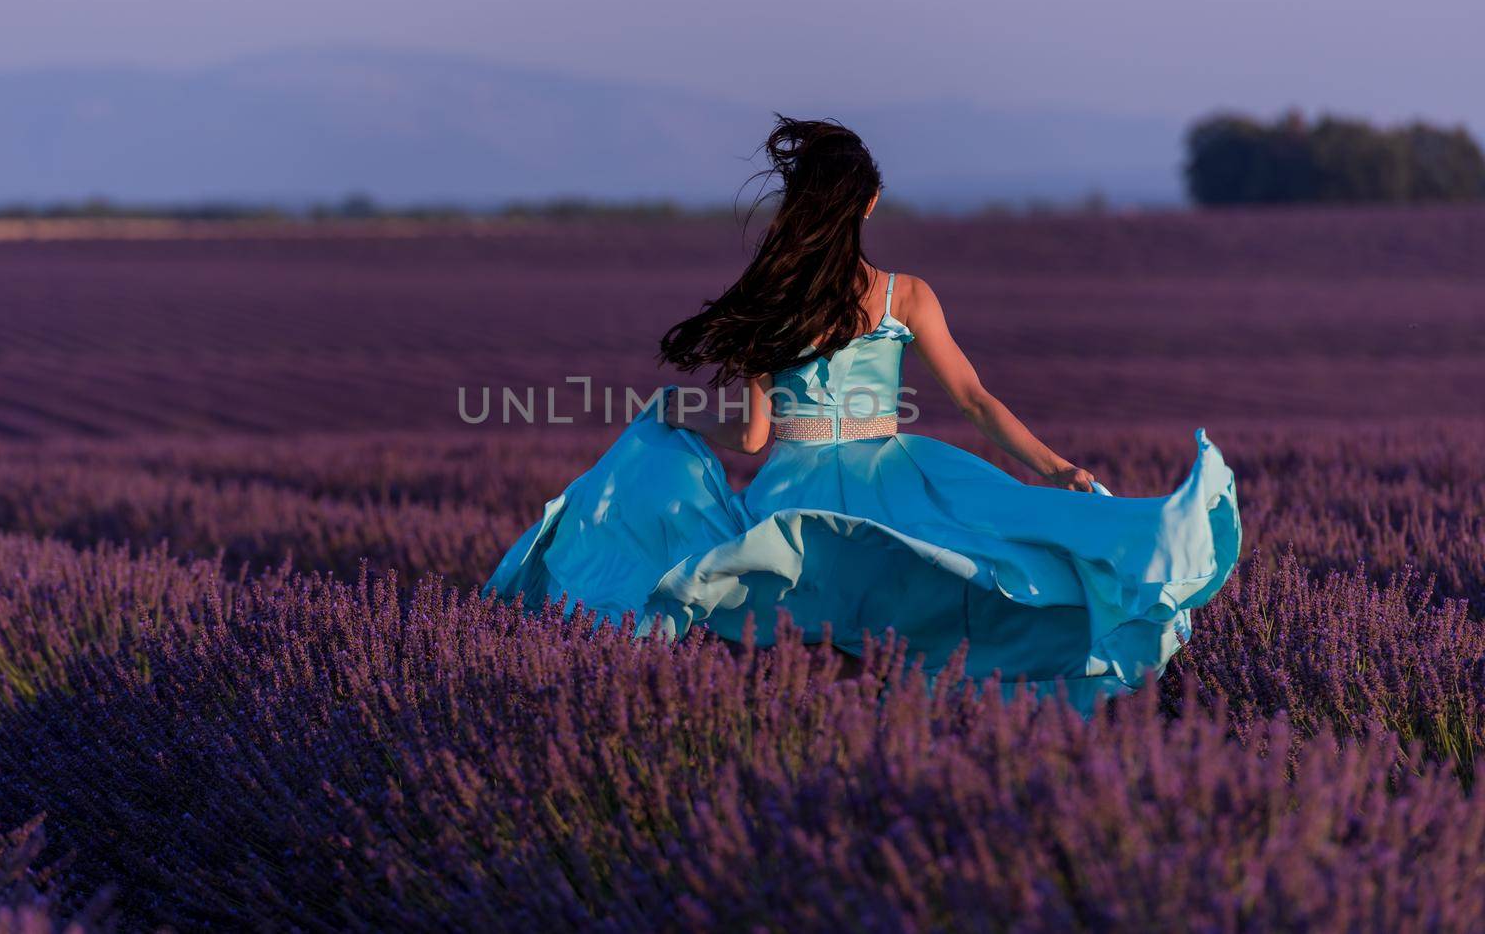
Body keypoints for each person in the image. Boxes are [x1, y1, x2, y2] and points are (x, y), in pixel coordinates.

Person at [486, 115, 1241, 715]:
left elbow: (751, 437)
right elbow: (976, 399)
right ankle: (909, 745)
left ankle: (826, 750)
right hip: (895, 482)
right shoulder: (903, 296)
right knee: (957, 594)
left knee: (816, 639)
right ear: (868, 203)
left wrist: (680, 423)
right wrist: (1054, 469)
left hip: (793, 495)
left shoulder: (766, 301)